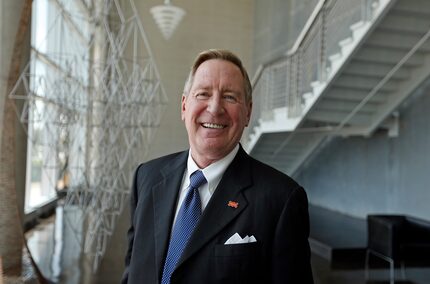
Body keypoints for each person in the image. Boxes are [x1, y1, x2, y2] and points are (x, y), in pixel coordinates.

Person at [122, 49, 313, 283]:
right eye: (203, 94)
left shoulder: (281, 199)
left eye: (230, 97)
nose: (214, 108)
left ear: (248, 113)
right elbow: (133, 268)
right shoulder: (146, 177)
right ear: (184, 106)